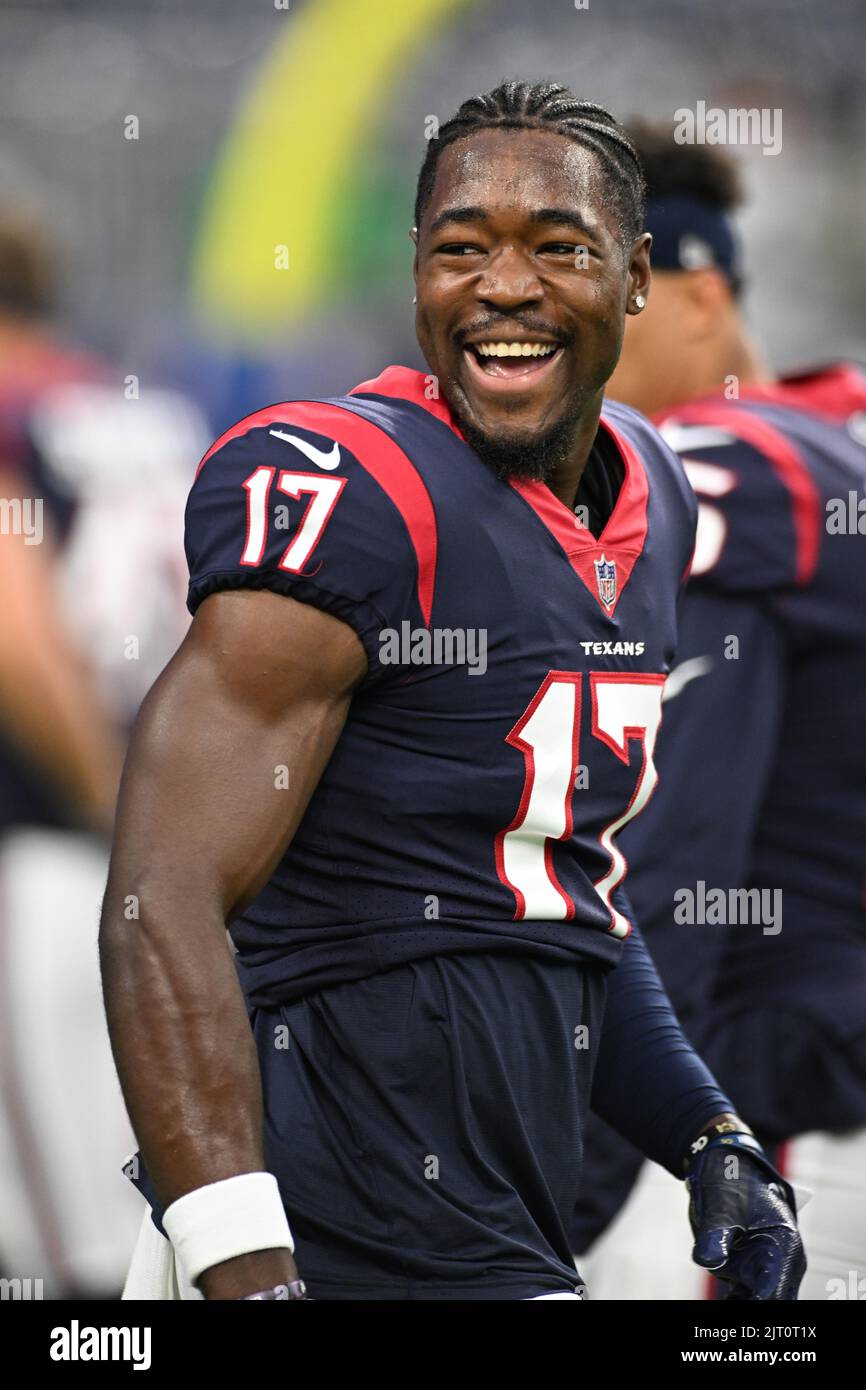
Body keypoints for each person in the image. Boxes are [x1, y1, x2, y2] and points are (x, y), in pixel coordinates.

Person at [100, 80, 803, 1302]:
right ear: (416, 271)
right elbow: (162, 898)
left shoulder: (651, 488)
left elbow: (552, 885)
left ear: (634, 278)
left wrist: (704, 1134)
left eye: (557, 249)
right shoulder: (355, 486)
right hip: (327, 1217)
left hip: (496, 1214)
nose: (504, 287)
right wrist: (238, 1255)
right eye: (460, 249)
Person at [572, 123, 866, 1301]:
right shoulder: (826, 432)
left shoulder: (711, 457)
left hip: (768, 1109)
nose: (559, 341)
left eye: (599, 298)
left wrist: (575, 1170)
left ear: (690, 292)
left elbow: (656, 851)